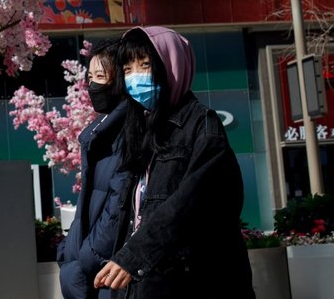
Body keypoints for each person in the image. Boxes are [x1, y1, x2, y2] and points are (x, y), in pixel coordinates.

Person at [93, 26, 254, 299]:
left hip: (196, 283)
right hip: (149, 284)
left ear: (173, 65)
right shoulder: (142, 130)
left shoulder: (203, 125)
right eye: (128, 69)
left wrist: (133, 256)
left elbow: (190, 204)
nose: (135, 77)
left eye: (145, 65)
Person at [57, 40, 129, 299]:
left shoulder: (127, 131)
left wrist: (86, 256)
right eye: (90, 77)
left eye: (101, 76)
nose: (93, 85)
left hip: (104, 273)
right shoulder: (101, 130)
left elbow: (117, 205)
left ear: (120, 79)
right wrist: (68, 251)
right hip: (89, 269)